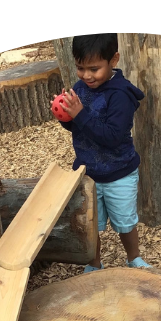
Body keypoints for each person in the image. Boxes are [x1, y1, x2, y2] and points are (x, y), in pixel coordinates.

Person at [53, 34, 151, 272]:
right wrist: (65, 115)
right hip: (88, 174)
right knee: (90, 224)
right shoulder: (81, 89)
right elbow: (78, 127)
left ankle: (134, 257)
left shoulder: (120, 96)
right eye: (80, 68)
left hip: (120, 173)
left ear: (114, 60)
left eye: (94, 68)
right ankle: (94, 263)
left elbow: (112, 137)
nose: (86, 75)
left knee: (125, 221)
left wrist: (80, 114)